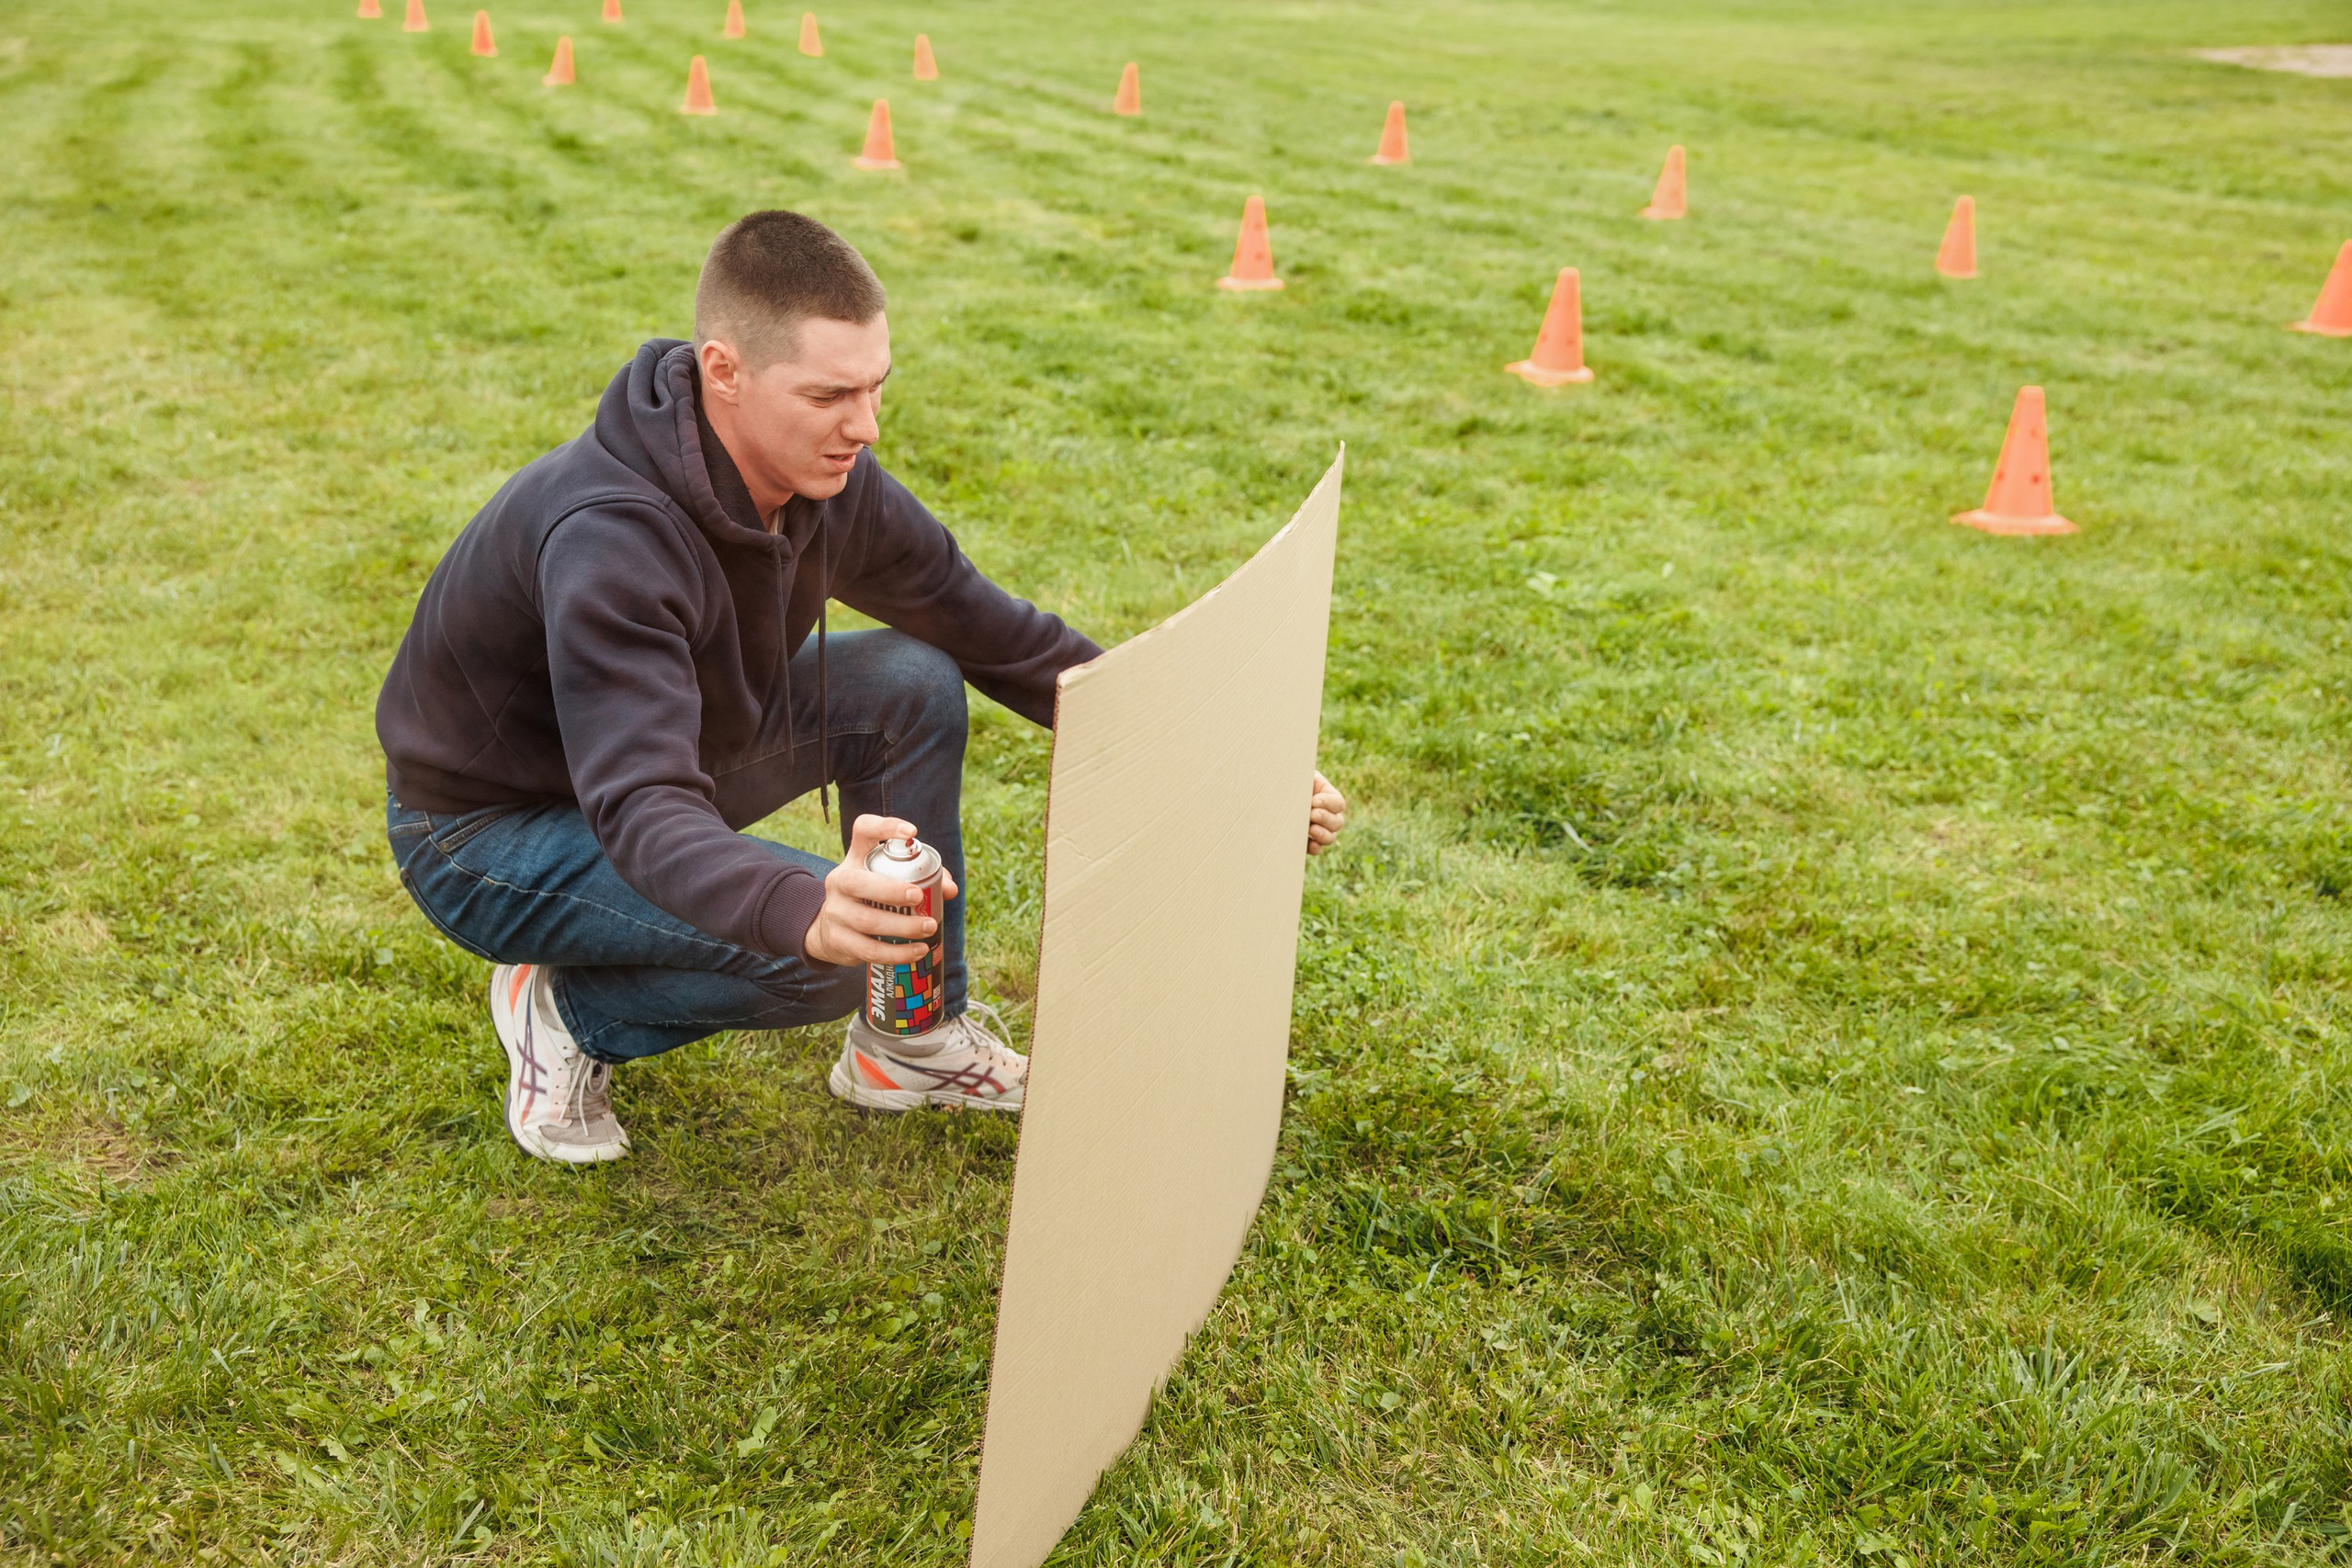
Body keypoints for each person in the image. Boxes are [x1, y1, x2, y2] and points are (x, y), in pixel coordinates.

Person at [377, 209, 1349, 1166]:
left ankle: (910, 1045)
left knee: (910, 679)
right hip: (488, 833)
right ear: (724, 372)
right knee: (829, 957)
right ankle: (563, 1009)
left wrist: (1223, 759)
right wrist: (799, 905)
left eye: (876, 387)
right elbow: (638, 801)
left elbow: (995, 633)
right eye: (831, 395)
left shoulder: (828, 485)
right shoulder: (608, 540)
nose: (866, 425)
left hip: (678, 753)